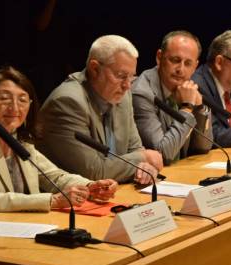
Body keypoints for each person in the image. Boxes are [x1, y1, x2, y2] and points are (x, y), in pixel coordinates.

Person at [0, 66, 118, 212]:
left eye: (22, 100)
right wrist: (52, 200)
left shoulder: (23, 146)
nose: (14, 107)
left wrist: (91, 186)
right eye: (5, 98)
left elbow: (56, 177)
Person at [34, 35, 163, 184]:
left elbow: (135, 148)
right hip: (69, 199)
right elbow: (94, 171)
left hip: (113, 192)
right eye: (121, 76)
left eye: (131, 77)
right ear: (94, 69)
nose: (127, 86)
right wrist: (143, 158)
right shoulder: (67, 102)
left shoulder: (123, 95)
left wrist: (144, 166)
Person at [132, 30, 213, 165]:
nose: (180, 69)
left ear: (195, 67)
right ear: (159, 57)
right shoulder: (142, 93)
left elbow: (203, 147)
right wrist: (187, 108)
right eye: (175, 60)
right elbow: (163, 153)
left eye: (188, 63)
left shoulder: (188, 88)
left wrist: (199, 109)